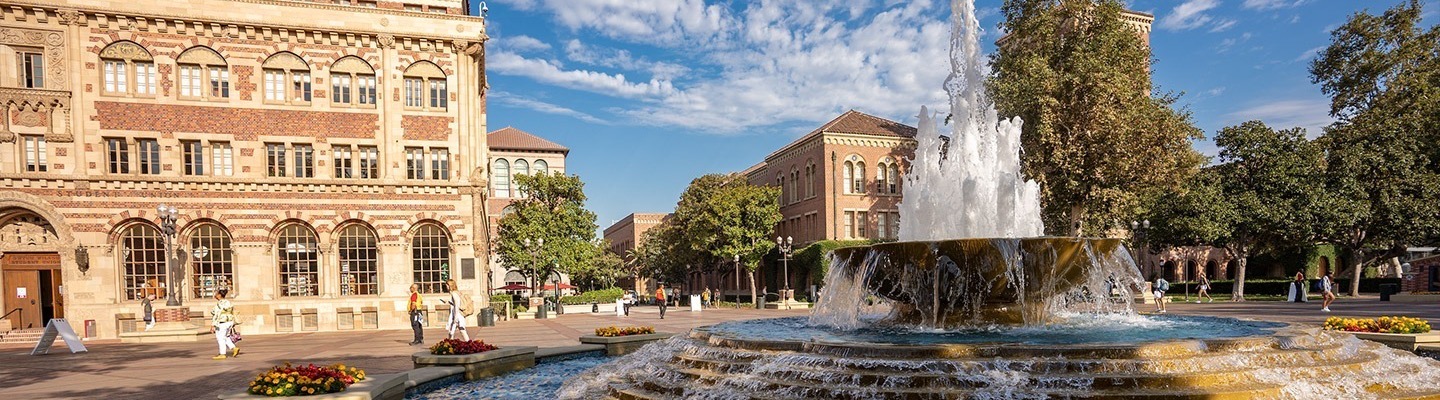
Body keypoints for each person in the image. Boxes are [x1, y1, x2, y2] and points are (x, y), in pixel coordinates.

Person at [210, 288, 238, 360]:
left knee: (220, 338)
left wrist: (213, 325)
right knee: (226, 336)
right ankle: (234, 348)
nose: (215, 295)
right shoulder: (228, 302)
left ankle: (222, 353)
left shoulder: (219, 304)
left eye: (216, 294)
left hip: (222, 322)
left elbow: (216, 314)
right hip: (229, 322)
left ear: (219, 295)